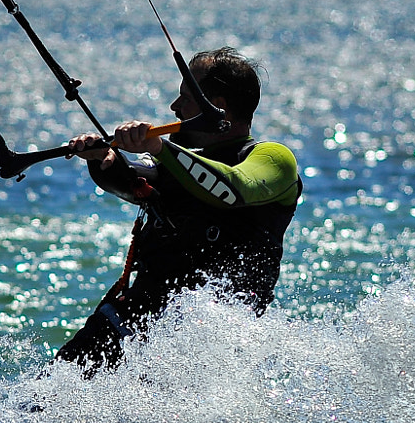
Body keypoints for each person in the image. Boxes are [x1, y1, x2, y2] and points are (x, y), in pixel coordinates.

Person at [54, 47, 301, 375]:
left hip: (210, 339)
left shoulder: (272, 159)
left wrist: (160, 146)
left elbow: (232, 189)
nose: (174, 107)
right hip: (134, 319)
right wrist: (103, 159)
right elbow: (134, 178)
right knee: (32, 410)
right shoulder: (175, 157)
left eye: (185, 96)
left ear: (218, 108)